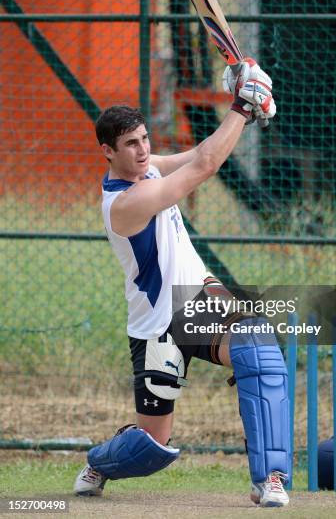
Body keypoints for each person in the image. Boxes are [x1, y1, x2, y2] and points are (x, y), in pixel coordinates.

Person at [73, 59, 291, 507]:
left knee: (259, 348)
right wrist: (243, 107)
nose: (142, 150)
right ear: (107, 152)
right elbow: (207, 166)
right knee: (152, 447)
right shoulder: (126, 203)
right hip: (156, 327)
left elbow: (200, 152)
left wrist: (243, 109)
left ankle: (269, 479)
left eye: (145, 139)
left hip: (196, 301)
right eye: (130, 144)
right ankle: (99, 461)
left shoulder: (147, 168)